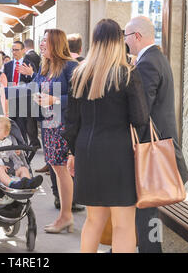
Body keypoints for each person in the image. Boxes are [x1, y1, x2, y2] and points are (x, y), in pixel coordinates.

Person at [63, 19, 149, 253]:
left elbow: (71, 123)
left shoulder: (80, 74)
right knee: (123, 225)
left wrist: (73, 153)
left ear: (95, 42)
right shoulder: (127, 74)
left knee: (93, 221)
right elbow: (140, 119)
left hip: (87, 152)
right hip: (118, 154)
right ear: (118, 42)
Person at [125, 16, 188, 253]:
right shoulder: (155, 58)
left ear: (137, 36)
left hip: (153, 151)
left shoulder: (148, 63)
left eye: (126, 36)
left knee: (148, 209)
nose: (125, 42)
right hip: (159, 148)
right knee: (147, 209)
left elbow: (141, 112)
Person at [16, 29, 78, 233]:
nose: (41, 45)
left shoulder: (71, 66)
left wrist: (55, 99)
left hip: (63, 127)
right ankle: (64, 216)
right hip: (49, 127)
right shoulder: (46, 68)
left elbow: (80, 98)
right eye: (41, 41)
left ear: (56, 43)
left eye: (45, 41)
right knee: (58, 171)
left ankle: (66, 216)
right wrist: (0, 91)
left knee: (62, 171)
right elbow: (30, 89)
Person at [0, 116, 43, 189]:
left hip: (13, 169)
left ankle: (28, 183)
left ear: (6, 134)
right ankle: (13, 184)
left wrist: (18, 152)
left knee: (23, 169)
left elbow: (14, 155)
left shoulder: (10, 141)